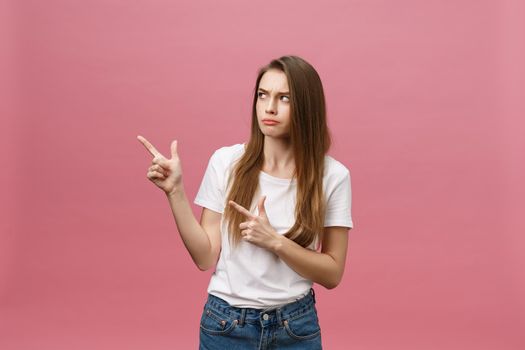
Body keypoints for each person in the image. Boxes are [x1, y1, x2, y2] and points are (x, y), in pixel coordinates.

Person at [137, 55, 354, 349]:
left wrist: (275, 242)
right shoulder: (227, 162)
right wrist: (175, 192)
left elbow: (332, 273)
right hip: (226, 325)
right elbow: (204, 257)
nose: (270, 107)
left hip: (296, 327)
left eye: (284, 98)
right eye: (263, 95)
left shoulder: (333, 176)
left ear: (306, 105)